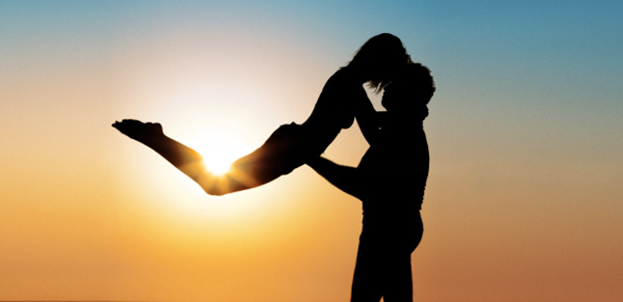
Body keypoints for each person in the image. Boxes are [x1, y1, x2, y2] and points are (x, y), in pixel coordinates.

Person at [112, 33, 409, 195]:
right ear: (380, 62)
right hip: (293, 147)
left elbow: (372, 123)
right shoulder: (349, 85)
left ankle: (156, 137)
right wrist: (408, 115)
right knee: (215, 185)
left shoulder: (348, 81)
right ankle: (156, 137)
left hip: (293, 145)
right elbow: (373, 134)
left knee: (216, 184)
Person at [306, 63, 435, 302]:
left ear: (406, 94)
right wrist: (351, 82)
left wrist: (310, 158)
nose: (386, 90)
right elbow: (367, 117)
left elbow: (361, 185)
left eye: (393, 86)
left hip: (388, 228)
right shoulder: (397, 126)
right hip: (395, 226)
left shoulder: (403, 133)